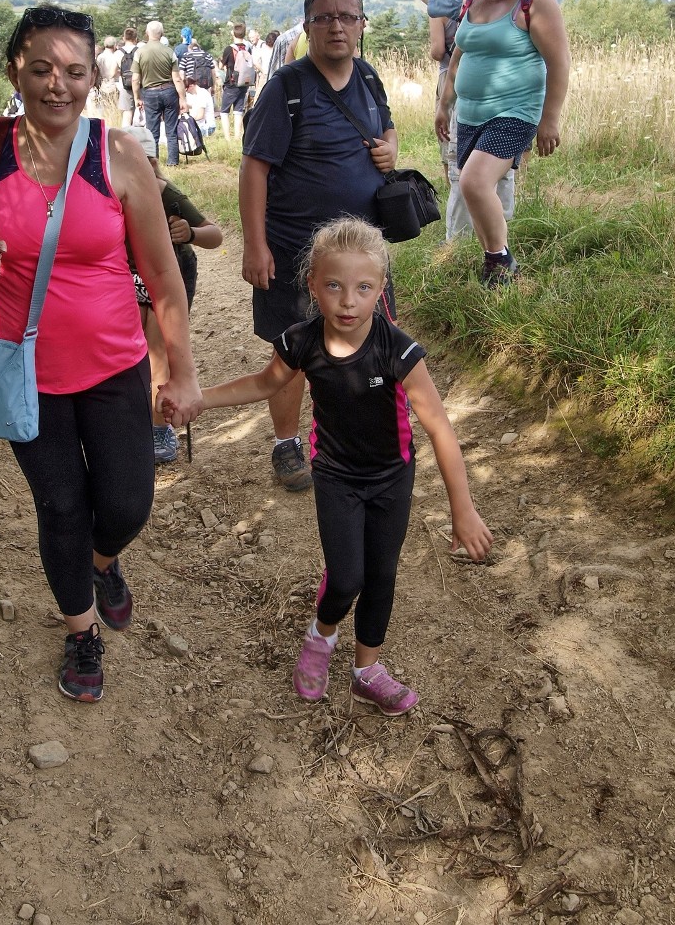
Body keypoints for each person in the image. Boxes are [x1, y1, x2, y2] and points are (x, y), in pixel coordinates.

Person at [0, 4, 202, 704]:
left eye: (75, 70)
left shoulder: (117, 156)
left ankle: (102, 561)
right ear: (14, 71)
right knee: (59, 503)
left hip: (116, 365)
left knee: (126, 501)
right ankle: (80, 628)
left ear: (93, 75)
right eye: (41, 68)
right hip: (23, 372)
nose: (58, 84)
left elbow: (164, 273)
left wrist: (181, 367)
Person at [163, 217, 493, 713]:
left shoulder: (398, 350)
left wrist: (462, 510)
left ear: (381, 289)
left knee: (381, 575)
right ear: (312, 285)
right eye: (334, 286)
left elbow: (440, 429)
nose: (347, 300)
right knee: (346, 578)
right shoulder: (301, 341)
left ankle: (367, 669)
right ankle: (322, 635)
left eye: (363, 288)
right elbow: (263, 383)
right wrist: (198, 399)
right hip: (336, 476)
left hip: (391, 478)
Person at [239, 0, 397, 493]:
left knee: (363, 341)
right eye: (324, 17)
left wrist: (390, 149)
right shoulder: (286, 88)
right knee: (294, 352)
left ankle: (347, 438)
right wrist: (256, 245)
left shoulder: (369, 79)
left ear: (360, 25)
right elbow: (254, 168)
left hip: (362, 254)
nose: (336, 26)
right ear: (307, 27)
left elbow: (387, 129)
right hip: (296, 251)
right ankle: (286, 444)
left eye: (347, 16)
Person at [435, 0, 570, 285]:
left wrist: (549, 120)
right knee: (474, 188)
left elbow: (559, 62)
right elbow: (460, 52)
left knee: (475, 183)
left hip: (515, 110)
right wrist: (444, 104)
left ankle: (501, 262)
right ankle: (495, 263)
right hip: (472, 113)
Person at [126, 124, 223, 463]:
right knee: (129, 347)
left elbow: (215, 235)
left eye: (144, 162)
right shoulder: (106, 191)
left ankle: (158, 428)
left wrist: (191, 233)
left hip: (173, 273)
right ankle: (129, 419)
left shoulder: (168, 195)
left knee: (159, 348)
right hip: (125, 275)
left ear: (153, 163)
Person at [422, 0, 516, 242]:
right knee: (500, 169)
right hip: (507, 99)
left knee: (461, 168)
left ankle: (460, 242)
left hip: (474, 99)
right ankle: (498, 237)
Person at [131, 20, 188, 166]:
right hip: (169, 92)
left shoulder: (140, 52)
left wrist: (137, 97)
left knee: (152, 131)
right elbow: (177, 79)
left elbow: (135, 79)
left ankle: (153, 162)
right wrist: (182, 98)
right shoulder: (169, 52)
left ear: (146, 33)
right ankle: (173, 161)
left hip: (150, 93)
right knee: (171, 129)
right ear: (162, 34)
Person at [218, 23, 254, 141]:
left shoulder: (229, 49)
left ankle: (228, 138)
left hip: (231, 83)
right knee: (238, 110)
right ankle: (238, 136)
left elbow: (221, 65)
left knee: (224, 111)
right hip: (244, 83)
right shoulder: (248, 47)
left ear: (233, 33)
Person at [112, 27, 139, 128]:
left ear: (124, 38)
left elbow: (112, 72)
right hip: (140, 85)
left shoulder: (118, 53)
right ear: (136, 38)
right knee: (141, 113)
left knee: (127, 114)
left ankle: (126, 137)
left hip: (125, 85)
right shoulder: (140, 51)